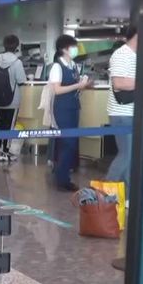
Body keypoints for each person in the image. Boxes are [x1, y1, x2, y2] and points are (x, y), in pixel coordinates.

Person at [48, 34, 91, 192]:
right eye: (73, 47)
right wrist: (78, 85)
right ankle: (62, 179)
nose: (75, 49)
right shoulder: (57, 67)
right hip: (62, 109)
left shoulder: (73, 65)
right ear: (64, 49)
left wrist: (83, 85)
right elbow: (57, 90)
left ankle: (62, 176)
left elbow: (74, 86)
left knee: (70, 144)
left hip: (73, 107)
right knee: (68, 143)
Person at [105, 26, 137, 186]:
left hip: (131, 112)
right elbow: (118, 83)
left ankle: (129, 195)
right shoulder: (122, 54)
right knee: (126, 155)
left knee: (130, 157)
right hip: (122, 113)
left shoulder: (135, 55)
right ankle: (105, 193)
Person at [0, 34, 27, 162]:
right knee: (10, 125)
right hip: (12, 100)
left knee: (1, 123)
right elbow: (21, 80)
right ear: (16, 46)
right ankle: (5, 152)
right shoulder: (17, 62)